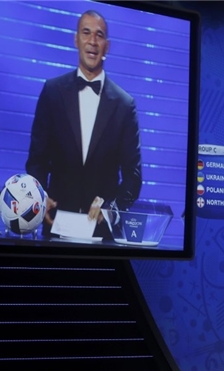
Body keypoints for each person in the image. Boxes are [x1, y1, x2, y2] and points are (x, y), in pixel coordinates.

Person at [26, 9, 142, 237]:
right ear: (76, 40)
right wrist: (41, 198)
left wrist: (111, 210)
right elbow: (37, 160)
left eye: (99, 35)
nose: (92, 41)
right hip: (56, 224)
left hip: (102, 233)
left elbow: (133, 176)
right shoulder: (52, 92)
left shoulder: (124, 105)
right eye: (86, 33)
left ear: (107, 46)